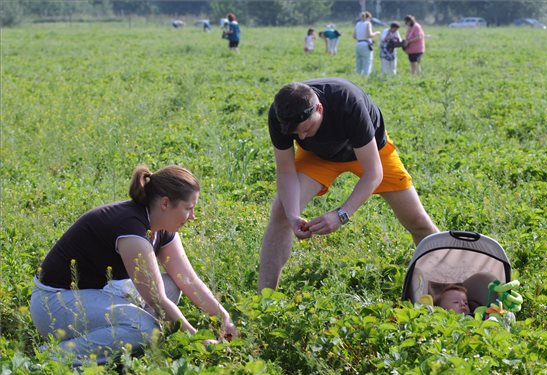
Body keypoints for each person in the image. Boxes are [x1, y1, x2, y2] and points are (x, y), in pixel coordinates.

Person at [30, 165, 238, 365]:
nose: (193, 216)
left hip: (94, 296)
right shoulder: (131, 227)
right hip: (54, 304)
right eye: (189, 208)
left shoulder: (162, 226)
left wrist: (224, 317)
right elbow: (156, 299)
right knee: (146, 329)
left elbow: (188, 280)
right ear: (165, 203)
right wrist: (199, 342)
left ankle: (131, 341)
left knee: (173, 285)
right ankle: (52, 357)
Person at [258, 78, 439, 292]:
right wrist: (292, 216)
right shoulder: (280, 115)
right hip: (318, 157)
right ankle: (264, 301)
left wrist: (341, 214)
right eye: (295, 134)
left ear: (319, 108)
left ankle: (448, 280)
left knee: (417, 220)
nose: (302, 137)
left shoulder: (347, 101)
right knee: (281, 212)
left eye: (307, 129)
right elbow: (286, 171)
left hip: (370, 152)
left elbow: (373, 173)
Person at [352, 11, 380, 75]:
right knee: (367, 62)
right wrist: (376, 33)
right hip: (365, 44)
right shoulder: (368, 23)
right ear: (368, 18)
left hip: (358, 44)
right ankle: (365, 77)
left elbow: (354, 36)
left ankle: (358, 76)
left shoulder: (357, 24)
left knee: (359, 63)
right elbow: (369, 35)